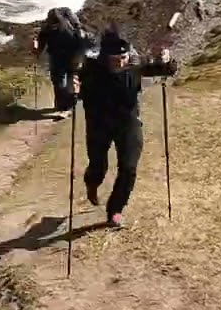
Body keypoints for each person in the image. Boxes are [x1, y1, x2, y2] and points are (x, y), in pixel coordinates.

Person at [71, 24, 177, 228]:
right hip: (99, 124)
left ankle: (115, 210)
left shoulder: (135, 65)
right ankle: (92, 183)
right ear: (104, 58)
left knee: (129, 168)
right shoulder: (91, 70)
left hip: (128, 123)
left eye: (124, 57)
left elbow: (167, 70)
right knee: (98, 167)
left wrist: (166, 60)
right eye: (115, 59)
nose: (121, 62)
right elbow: (72, 94)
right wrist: (73, 91)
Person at [33, 7, 92, 116]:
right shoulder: (46, 29)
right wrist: (36, 49)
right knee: (58, 82)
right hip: (56, 57)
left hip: (73, 55)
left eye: (56, 25)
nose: (54, 27)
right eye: (52, 25)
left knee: (71, 81)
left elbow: (83, 43)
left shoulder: (73, 29)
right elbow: (40, 46)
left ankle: (69, 106)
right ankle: (60, 106)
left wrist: (79, 58)